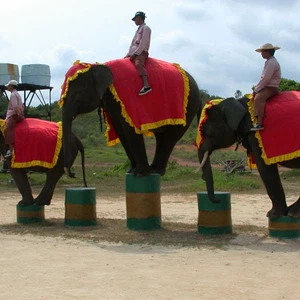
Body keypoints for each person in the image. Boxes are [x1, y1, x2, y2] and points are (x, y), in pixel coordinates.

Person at [251, 43, 281, 131]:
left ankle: (260, 123)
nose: (261, 54)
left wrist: (256, 90)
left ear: (267, 51)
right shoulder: (270, 61)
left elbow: (265, 78)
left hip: (270, 87)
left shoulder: (271, 62)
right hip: (269, 86)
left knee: (258, 98)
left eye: (262, 52)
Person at [125, 11, 152, 96]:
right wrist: (128, 54)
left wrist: (136, 54)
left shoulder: (146, 28)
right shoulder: (138, 30)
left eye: (135, 19)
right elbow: (133, 44)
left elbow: (143, 43)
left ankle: (146, 85)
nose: (134, 21)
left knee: (138, 64)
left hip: (141, 53)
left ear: (139, 18)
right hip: (133, 53)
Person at [4, 80, 24, 158]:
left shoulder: (13, 95)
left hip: (13, 115)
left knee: (7, 130)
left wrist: (19, 115)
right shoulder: (18, 94)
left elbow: (16, 107)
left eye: (8, 86)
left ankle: (10, 150)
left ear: (12, 86)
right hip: (16, 114)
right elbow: (21, 106)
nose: (7, 87)